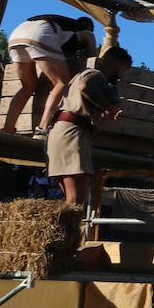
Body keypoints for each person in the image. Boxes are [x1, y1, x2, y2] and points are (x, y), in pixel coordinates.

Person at [45, 45, 131, 206]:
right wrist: (107, 107)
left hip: (66, 133)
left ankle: (68, 230)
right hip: (72, 134)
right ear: (118, 66)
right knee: (76, 199)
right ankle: (69, 231)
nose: (121, 76)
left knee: (74, 199)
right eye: (123, 71)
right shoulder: (95, 74)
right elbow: (85, 86)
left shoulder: (83, 76)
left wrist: (103, 112)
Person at [2, 14, 98, 134]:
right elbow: (93, 60)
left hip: (17, 34)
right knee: (62, 83)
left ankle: (8, 128)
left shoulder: (64, 28)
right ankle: (43, 127)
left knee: (28, 87)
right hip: (40, 32)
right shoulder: (85, 31)